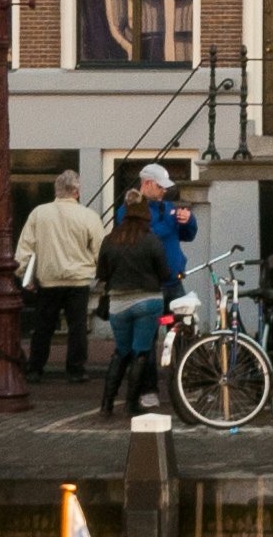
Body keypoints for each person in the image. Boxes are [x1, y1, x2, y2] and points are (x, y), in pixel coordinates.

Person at [13, 170, 106, 387]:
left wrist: (25, 274)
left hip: (48, 278)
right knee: (77, 327)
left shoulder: (39, 213)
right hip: (78, 279)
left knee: (43, 325)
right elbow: (100, 249)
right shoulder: (88, 216)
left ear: (56, 190)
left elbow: (26, 247)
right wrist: (100, 272)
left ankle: (35, 369)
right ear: (77, 191)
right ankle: (75, 370)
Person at [96, 193, 178, 419]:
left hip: (118, 304)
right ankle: (132, 403)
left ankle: (106, 404)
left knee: (120, 352)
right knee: (141, 352)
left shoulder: (110, 239)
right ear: (145, 216)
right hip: (147, 301)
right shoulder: (152, 240)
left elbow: (102, 274)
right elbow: (165, 273)